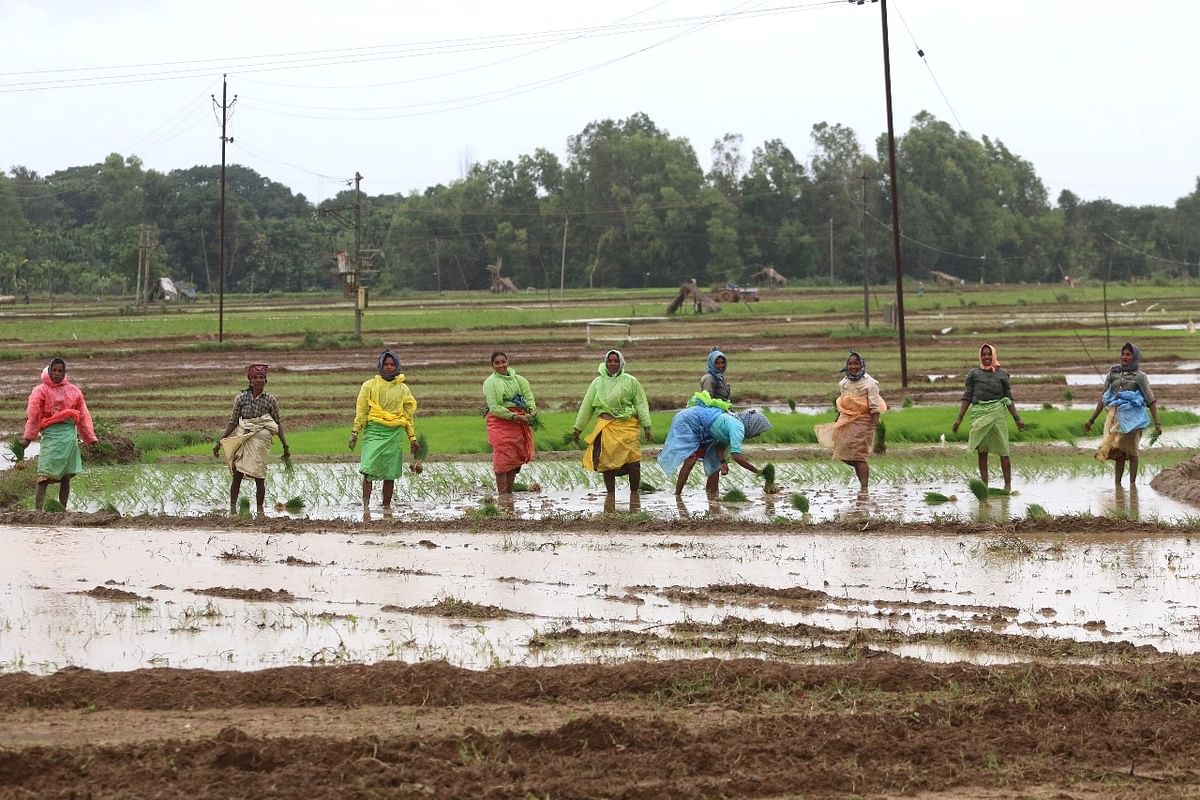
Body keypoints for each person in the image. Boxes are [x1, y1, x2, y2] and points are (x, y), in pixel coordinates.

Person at [571, 349, 652, 501]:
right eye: (610, 361)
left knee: (634, 462)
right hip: (606, 427)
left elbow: (641, 404)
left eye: (616, 361)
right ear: (605, 362)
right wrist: (578, 428)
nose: (613, 364)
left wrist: (647, 426)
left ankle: (634, 496)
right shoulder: (597, 383)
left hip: (628, 426)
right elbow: (586, 406)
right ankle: (611, 497)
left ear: (621, 363)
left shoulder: (631, 381)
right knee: (606, 463)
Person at [19, 357, 97, 511]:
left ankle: (62, 509)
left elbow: (83, 415)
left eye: (60, 371)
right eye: (54, 370)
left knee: (66, 476)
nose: (57, 374)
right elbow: (34, 415)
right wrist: (28, 437)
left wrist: (90, 437)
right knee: (44, 476)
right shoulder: (40, 391)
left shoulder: (74, 391)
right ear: (49, 371)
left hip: (68, 436)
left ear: (64, 372)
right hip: (51, 435)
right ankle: (38, 511)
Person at [213, 364, 290, 515]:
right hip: (243, 440)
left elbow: (277, 423)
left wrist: (285, 446)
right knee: (237, 474)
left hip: (260, 443)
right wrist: (220, 442)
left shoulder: (270, 400)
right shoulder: (241, 398)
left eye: (261, 378)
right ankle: (233, 509)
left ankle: (260, 511)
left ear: (266, 381)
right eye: (255, 377)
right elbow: (233, 422)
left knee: (259, 475)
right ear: (250, 380)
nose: (259, 380)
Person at [1083, 341, 1162, 486]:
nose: (1124, 357)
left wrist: (1157, 423)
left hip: (1133, 418)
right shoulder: (1113, 373)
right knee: (1118, 452)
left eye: (1128, 354)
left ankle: (1132, 486)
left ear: (1135, 357)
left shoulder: (1140, 376)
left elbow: (1150, 400)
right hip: (1114, 417)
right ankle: (1117, 486)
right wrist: (1091, 420)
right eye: (1123, 354)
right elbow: (1104, 398)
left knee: (1132, 452)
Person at [350, 350, 419, 511]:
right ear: (380, 366)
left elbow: (407, 417)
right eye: (386, 364)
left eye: (392, 364)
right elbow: (361, 411)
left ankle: (386, 508)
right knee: (368, 468)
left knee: (390, 472)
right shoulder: (369, 386)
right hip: (374, 431)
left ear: (397, 366)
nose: (389, 367)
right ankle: (365, 507)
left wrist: (412, 438)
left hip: (394, 433)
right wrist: (355, 432)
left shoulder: (403, 389)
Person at [952, 344, 1025, 492]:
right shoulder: (973, 374)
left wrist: (1017, 419)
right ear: (980, 356)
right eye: (984, 355)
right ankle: (984, 485)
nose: (986, 357)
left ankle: (1007, 485)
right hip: (979, 414)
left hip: (998, 414)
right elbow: (967, 396)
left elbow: (1008, 398)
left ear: (994, 355)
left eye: (989, 354)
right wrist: (959, 418)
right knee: (982, 451)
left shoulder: (1002, 374)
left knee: (1004, 450)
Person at [658, 400, 772, 495]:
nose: (757, 434)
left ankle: (712, 495)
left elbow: (720, 447)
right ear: (753, 426)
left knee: (715, 463)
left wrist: (722, 461)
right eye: (758, 431)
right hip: (689, 421)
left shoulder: (734, 424)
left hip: (702, 426)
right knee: (690, 461)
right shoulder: (738, 428)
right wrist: (757, 471)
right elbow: (736, 456)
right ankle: (678, 495)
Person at [814, 352, 886, 494]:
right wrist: (837, 421)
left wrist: (877, 428)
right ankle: (863, 483)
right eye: (850, 364)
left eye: (856, 363)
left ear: (862, 365)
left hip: (864, 423)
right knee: (841, 452)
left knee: (859, 456)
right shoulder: (845, 382)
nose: (853, 366)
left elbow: (874, 407)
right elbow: (842, 403)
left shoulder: (870, 384)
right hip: (846, 421)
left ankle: (864, 489)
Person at [484, 351, 537, 495]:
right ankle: (502, 495)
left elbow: (529, 398)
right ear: (492, 366)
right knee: (502, 458)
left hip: (518, 422)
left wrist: (531, 411)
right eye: (497, 363)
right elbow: (494, 407)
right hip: (500, 422)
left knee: (513, 459)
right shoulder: (490, 383)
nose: (501, 365)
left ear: (508, 362)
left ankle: (508, 496)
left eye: (503, 362)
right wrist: (515, 417)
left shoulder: (520, 380)